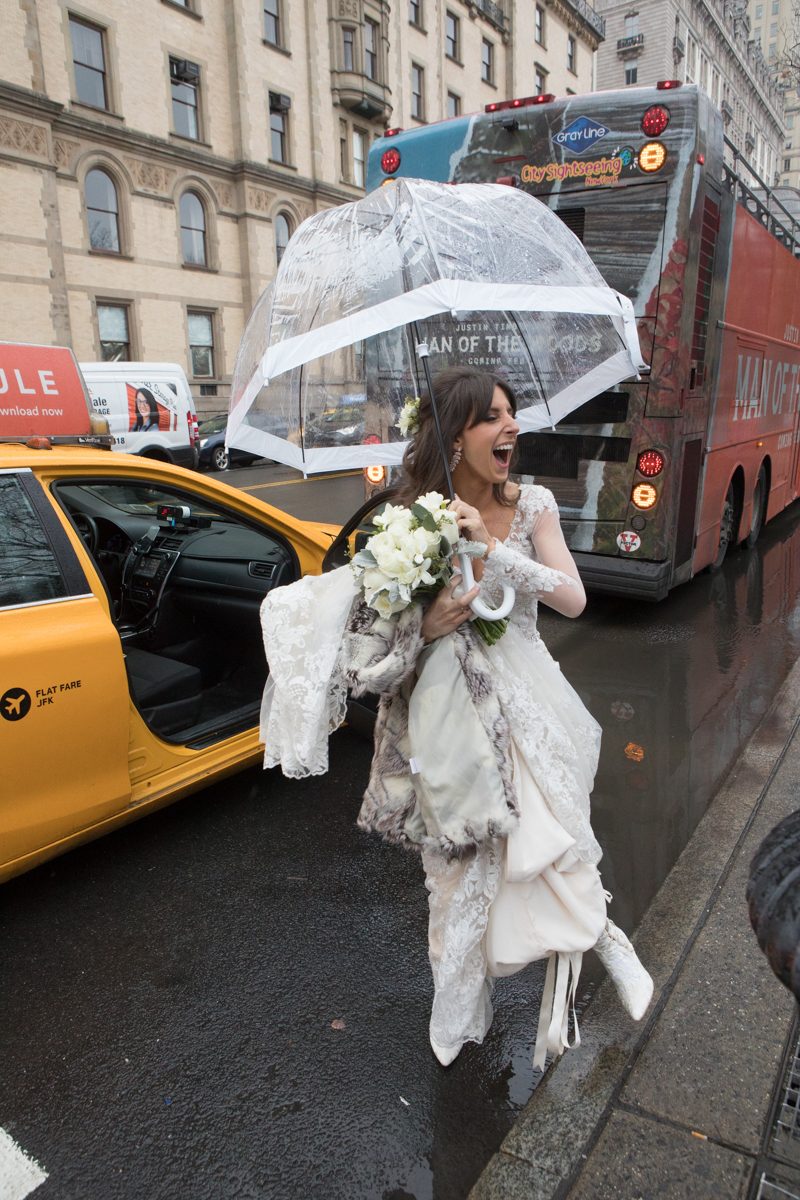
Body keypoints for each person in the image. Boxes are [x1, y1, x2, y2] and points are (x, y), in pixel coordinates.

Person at [261, 366, 653, 1070]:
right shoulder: (403, 520)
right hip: (443, 725)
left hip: (529, 705)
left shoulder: (531, 504)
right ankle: (457, 1017)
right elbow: (372, 653)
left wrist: (491, 546)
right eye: (491, 417)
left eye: (511, 413)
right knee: (455, 883)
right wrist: (430, 627)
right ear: (454, 434)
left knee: (558, 845)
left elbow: (572, 600)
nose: (512, 428)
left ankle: (605, 939)